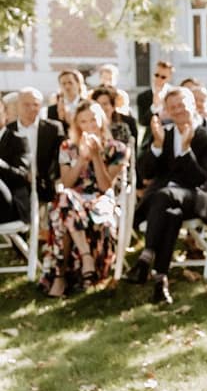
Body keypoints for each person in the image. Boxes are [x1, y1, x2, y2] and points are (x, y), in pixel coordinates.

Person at [125, 87, 207, 305]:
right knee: (171, 212)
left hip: (194, 197)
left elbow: (199, 179)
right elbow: (145, 173)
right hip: (164, 200)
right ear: (166, 110)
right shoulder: (163, 134)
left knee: (164, 195)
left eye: (182, 105)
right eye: (172, 107)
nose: (178, 110)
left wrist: (186, 151)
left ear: (192, 104)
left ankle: (145, 259)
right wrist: (157, 147)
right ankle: (160, 280)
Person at [40, 101, 127, 296]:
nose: (89, 126)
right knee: (65, 197)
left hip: (101, 199)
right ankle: (85, 259)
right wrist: (81, 159)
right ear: (77, 125)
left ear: (101, 120)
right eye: (83, 122)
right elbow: (68, 181)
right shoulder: (67, 147)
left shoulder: (117, 149)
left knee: (62, 212)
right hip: (74, 198)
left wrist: (96, 156)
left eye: (93, 120)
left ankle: (60, 277)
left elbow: (105, 186)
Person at [7, 89, 64, 215]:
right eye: (26, 104)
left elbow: (59, 159)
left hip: (45, 188)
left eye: (36, 104)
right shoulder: (8, 131)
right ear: (18, 106)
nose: (31, 108)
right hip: (16, 190)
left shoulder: (54, 129)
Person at [91, 85, 138, 150]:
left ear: (113, 106)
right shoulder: (90, 127)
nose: (101, 107)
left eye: (105, 104)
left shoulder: (123, 127)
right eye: (98, 104)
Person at [137, 60, 174, 127]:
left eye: (163, 77)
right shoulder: (143, 96)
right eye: (156, 75)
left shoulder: (174, 93)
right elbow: (142, 122)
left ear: (169, 78)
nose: (159, 79)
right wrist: (154, 107)